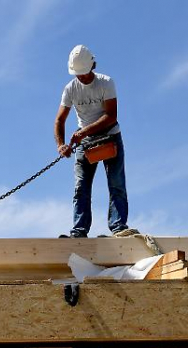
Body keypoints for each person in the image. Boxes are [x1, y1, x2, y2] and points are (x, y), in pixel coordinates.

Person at [54, 44, 136, 238]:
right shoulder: (70, 89)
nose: (81, 77)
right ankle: (79, 231)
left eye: (84, 73)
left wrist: (83, 132)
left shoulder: (106, 83)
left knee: (116, 184)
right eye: (78, 74)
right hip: (85, 142)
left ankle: (118, 227)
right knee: (81, 187)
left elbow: (111, 116)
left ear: (93, 66)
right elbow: (59, 119)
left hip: (110, 136)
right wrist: (61, 145)